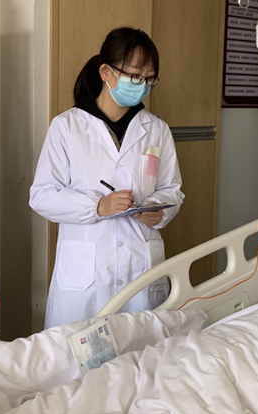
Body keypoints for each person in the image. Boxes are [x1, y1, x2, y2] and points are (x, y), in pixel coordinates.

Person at [30, 27, 184, 329]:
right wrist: (98, 206)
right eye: (135, 76)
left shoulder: (156, 130)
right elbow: (42, 196)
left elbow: (172, 190)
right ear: (106, 73)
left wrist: (159, 209)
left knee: (144, 351)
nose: (142, 86)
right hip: (86, 279)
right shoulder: (67, 127)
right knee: (78, 353)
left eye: (149, 79)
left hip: (141, 269)